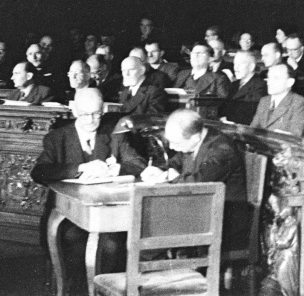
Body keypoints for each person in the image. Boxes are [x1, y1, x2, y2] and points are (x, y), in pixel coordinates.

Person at [31, 88, 146, 294]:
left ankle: (103, 291)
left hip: (106, 214)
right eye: (85, 114)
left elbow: (138, 164)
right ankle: (77, 291)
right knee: (75, 242)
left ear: (103, 110)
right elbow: (39, 172)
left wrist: (116, 168)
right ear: (75, 111)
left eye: (96, 114)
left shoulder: (114, 134)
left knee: (112, 245)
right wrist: (80, 168)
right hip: (68, 215)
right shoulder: (57, 138)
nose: (91, 120)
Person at [140, 109, 250, 252]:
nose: (172, 147)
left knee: (150, 230)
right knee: (148, 221)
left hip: (224, 220)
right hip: (200, 210)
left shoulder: (222, 149)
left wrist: (173, 177)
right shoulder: (192, 141)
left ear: (195, 138)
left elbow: (197, 183)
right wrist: (159, 170)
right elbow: (175, 163)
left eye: (176, 143)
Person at [251, 64, 304, 136]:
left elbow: (295, 136)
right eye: (268, 78)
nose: (269, 83)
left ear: (290, 82)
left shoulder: (298, 103)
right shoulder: (264, 101)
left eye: (275, 78)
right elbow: (252, 129)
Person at [223, 51, 267, 125]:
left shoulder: (260, 85)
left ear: (251, 67)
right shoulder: (234, 85)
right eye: (235, 63)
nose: (235, 67)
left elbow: (251, 113)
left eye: (240, 64)